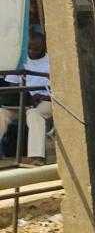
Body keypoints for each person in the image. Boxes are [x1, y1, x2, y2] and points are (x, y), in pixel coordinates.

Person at [1, 25, 53, 164]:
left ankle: (37, 157)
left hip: (45, 102)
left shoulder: (52, 63)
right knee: (1, 113)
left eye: (36, 49)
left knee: (34, 114)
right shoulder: (21, 61)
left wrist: (41, 97)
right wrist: (16, 97)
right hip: (23, 102)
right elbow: (12, 85)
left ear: (45, 46)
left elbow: (60, 91)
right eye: (29, 48)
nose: (32, 52)